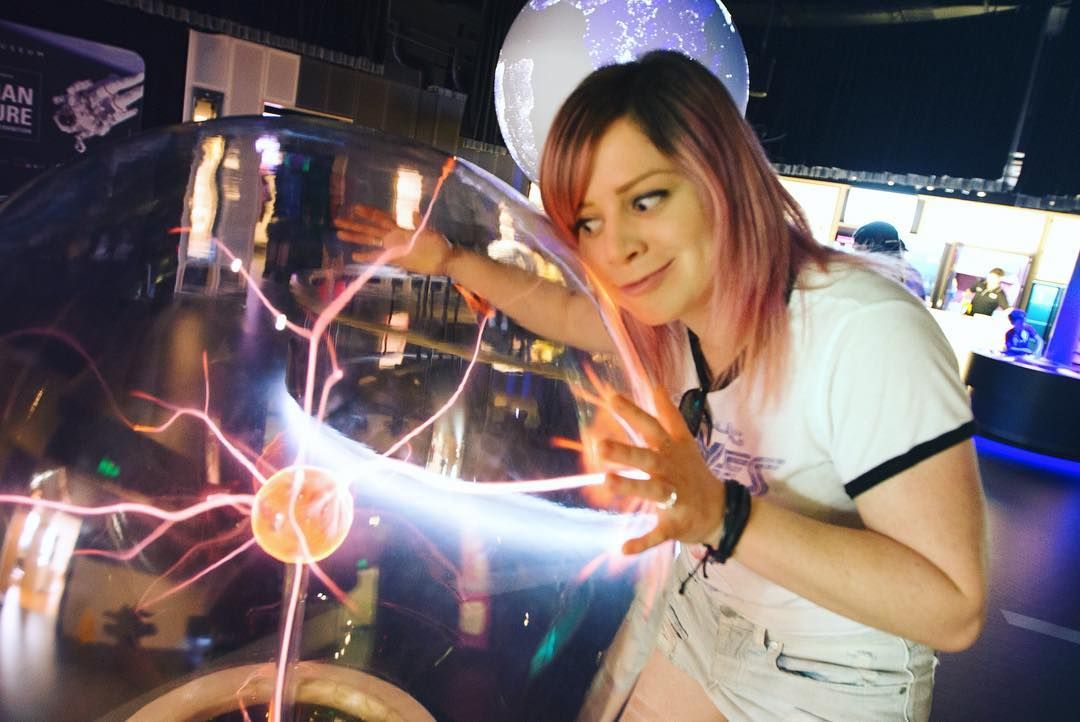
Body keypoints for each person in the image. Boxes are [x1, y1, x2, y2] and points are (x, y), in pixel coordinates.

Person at [337, 50, 987, 722]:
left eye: (646, 200)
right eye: (588, 223)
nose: (616, 249)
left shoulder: (864, 331)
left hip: (828, 676)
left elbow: (951, 606)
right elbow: (562, 311)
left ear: (723, 177)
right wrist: (448, 260)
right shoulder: (674, 317)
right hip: (695, 621)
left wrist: (724, 516)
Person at [851, 220, 927, 300]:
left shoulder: (871, 274)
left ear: (871, 246)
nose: (856, 256)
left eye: (858, 250)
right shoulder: (911, 273)